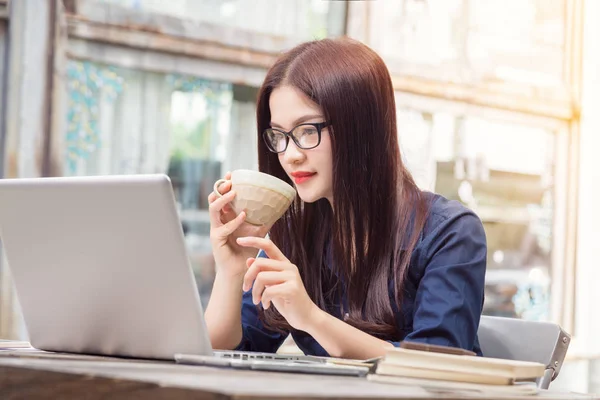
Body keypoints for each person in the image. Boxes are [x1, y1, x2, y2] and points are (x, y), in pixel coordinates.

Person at [204, 37, 487, 360]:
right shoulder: (293, 235)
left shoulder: (450, 232)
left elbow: (439, 364)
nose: (290, 155)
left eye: (308, 130)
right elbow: (227, 352)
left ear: (361, 128)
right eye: (279, 135)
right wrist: (231, 270)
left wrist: (311, 318)